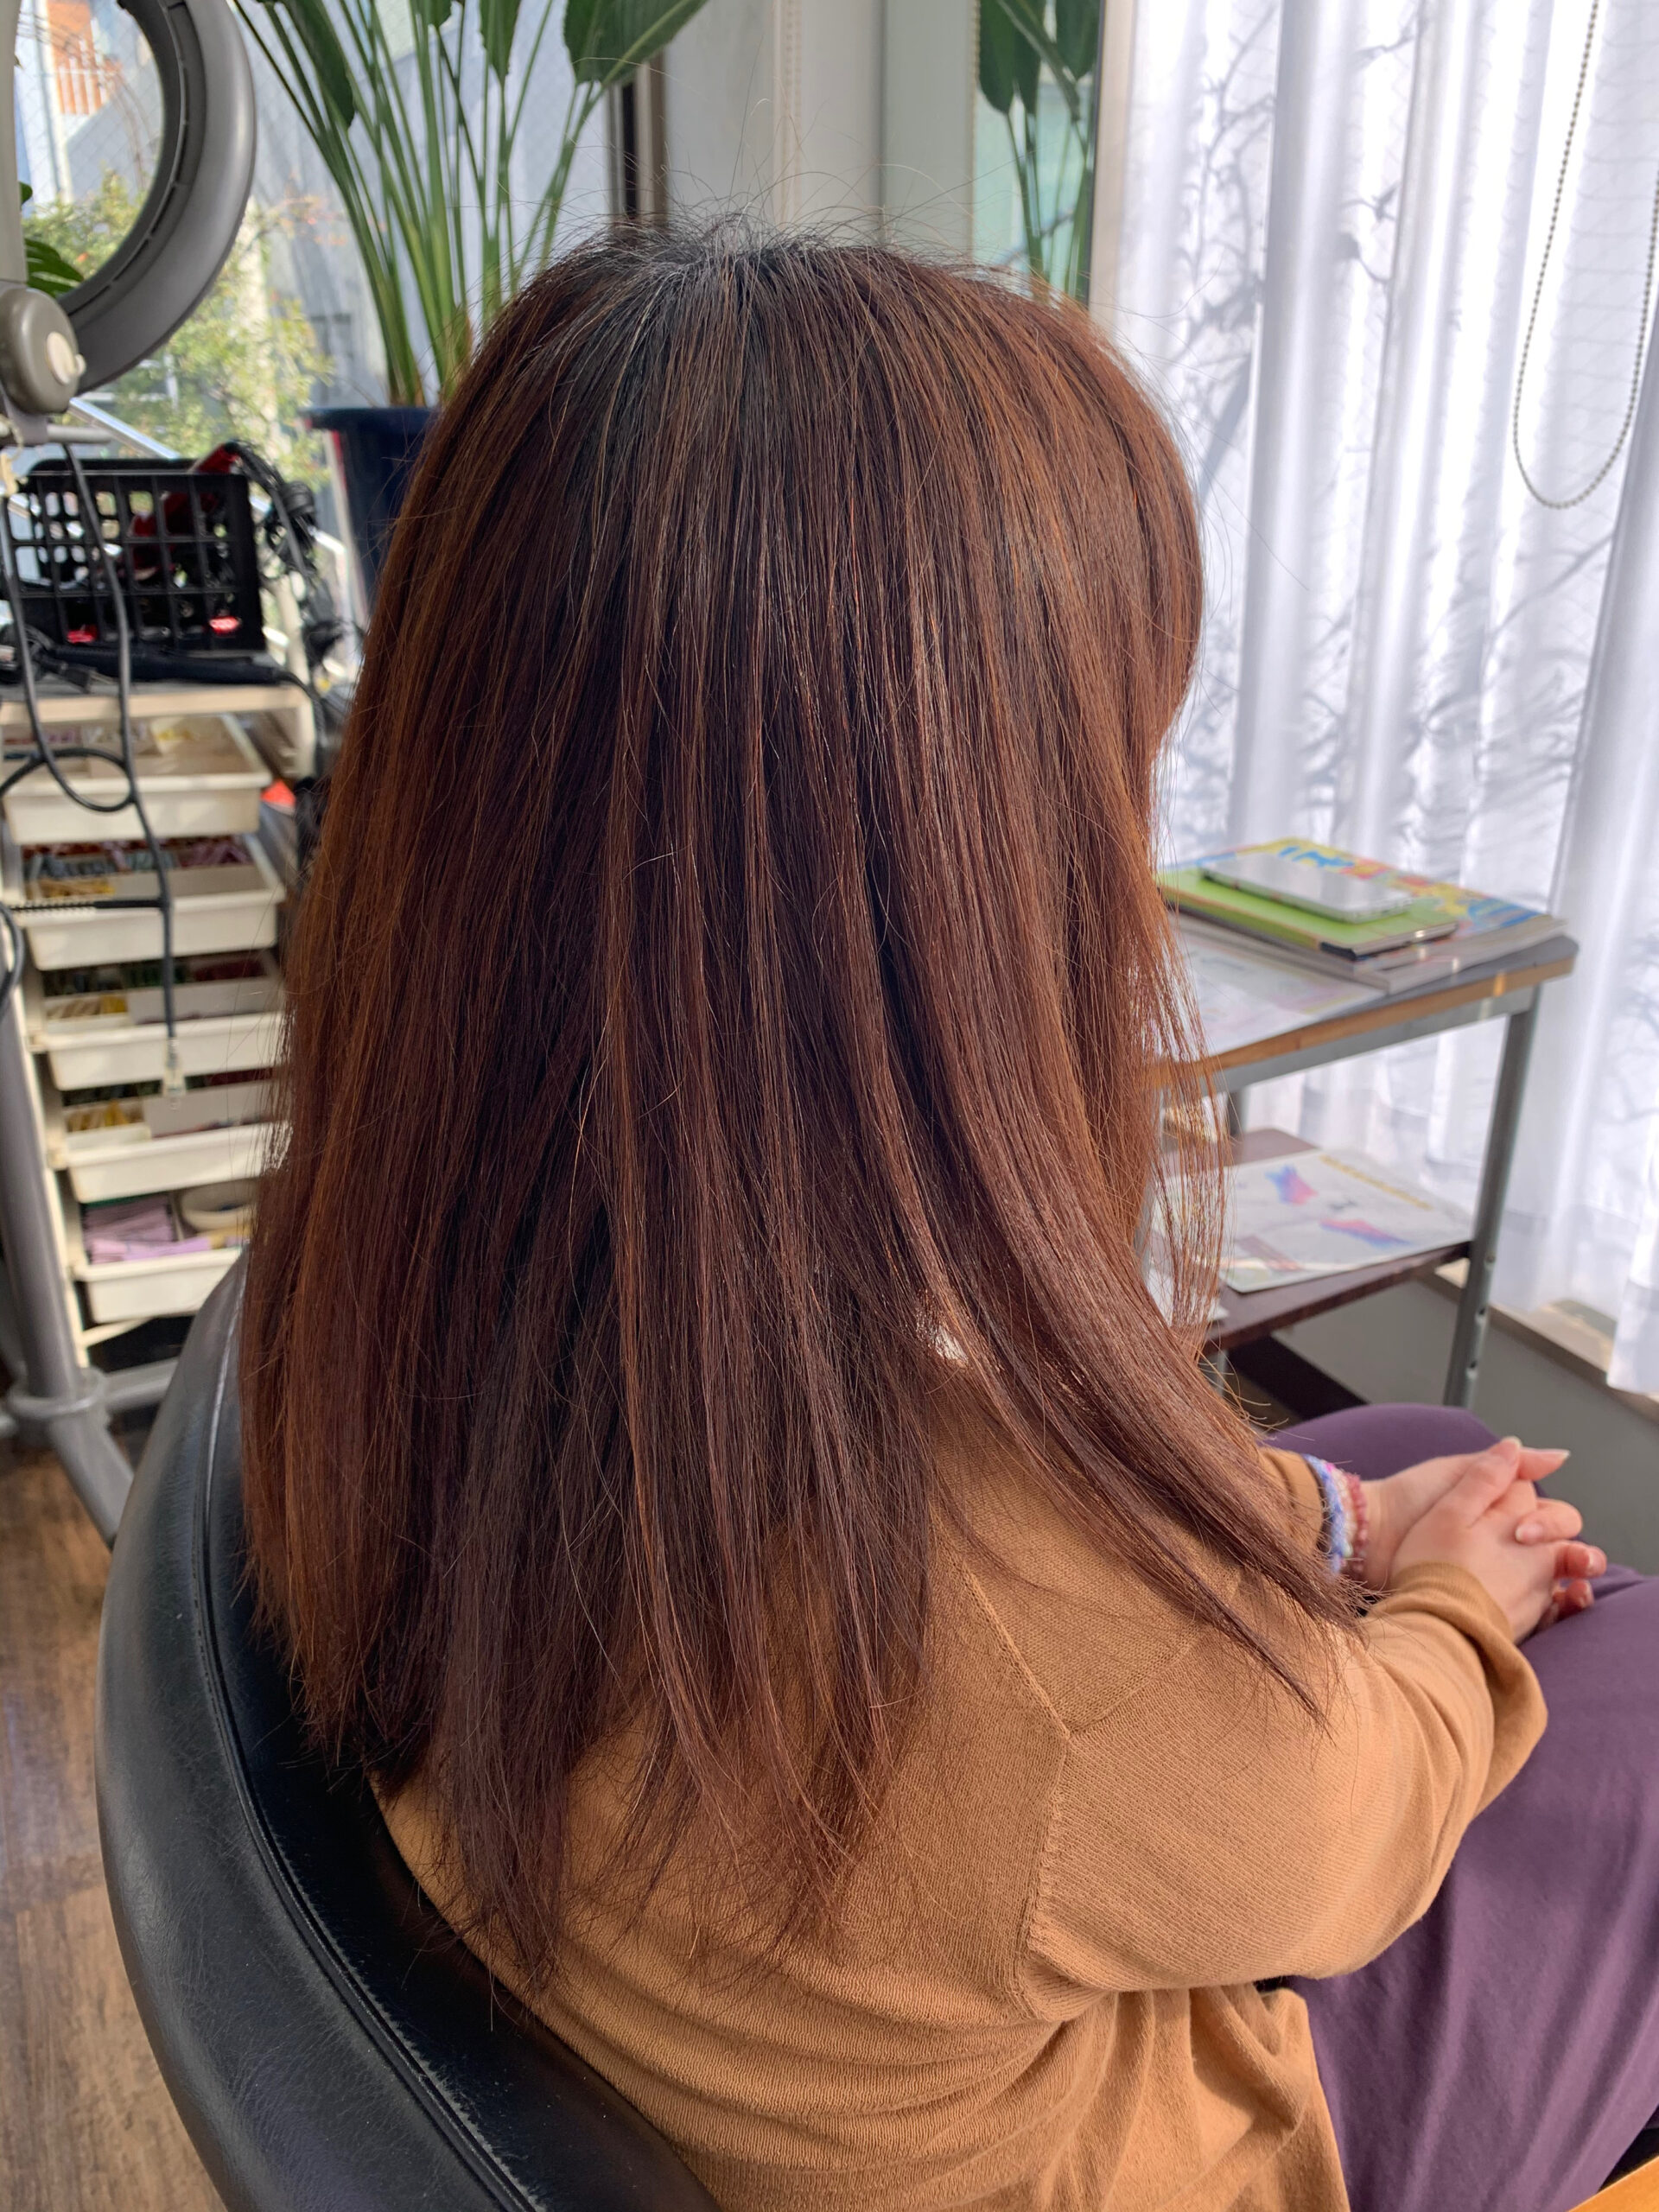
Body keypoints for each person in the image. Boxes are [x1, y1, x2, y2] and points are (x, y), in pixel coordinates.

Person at [240, 230, 1659, 2212]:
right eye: (1110, 783)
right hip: (1151, 2136)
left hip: (814, 1930)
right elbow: (1335, 1833)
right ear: (931, 893)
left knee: (1414, 1444)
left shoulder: (398, 1271)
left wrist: (1346, 1524)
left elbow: (1080, 1597)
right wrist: (1446, 1614)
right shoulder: (975, 1606)